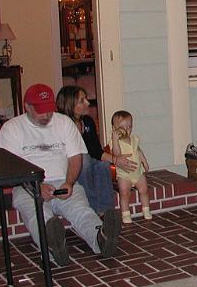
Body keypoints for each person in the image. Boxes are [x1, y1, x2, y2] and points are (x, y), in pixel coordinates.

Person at [0, 84, 121, 265]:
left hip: (63, 182)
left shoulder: (64, 122)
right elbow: (9, 167)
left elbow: (75, 157)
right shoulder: (12, 129)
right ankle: (53, 246)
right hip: (29, 186)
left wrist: (70, 183)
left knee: (81, 210)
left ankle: (101, 238)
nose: (46, 115)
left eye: (49, 110)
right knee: (38, 214)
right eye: (40, 111)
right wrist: (37, 186)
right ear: (27, 106)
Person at [55, 86, 136, 215]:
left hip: (86, 159)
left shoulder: (87, 121)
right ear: (69, 104)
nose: (88, 103)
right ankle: (90, 208)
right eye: (82, 100)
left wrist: (115, 160)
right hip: (67, 166)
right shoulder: (61, 124)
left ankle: (106, 210)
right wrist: (115, 160)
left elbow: (95, 150)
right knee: (85, 160)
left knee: (102, 164)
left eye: (86, 99)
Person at [110, 110, 151, 223]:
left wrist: (145, 162)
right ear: (115, 129)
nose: (126, 130)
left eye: (129, 126)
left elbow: (139, 151)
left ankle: (146, 209)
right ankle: (126, 214)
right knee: (124, 193)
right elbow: (117, 154)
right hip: (124, 175)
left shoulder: (134, 139)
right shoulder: (116, 143)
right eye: (122, 127)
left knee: (144, 190)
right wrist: (115, 140)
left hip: (138, 173)